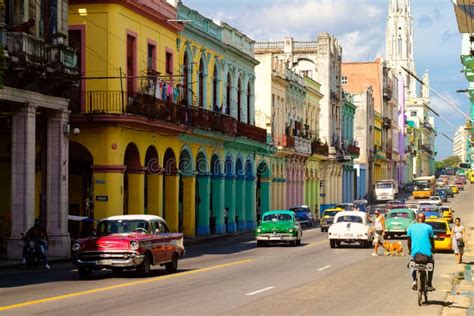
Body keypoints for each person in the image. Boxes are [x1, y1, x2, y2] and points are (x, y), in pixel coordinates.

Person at [407, 213, 435, 291]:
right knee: (431, 263)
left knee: (412, 263)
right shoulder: (429, 227)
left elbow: (408, 242)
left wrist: (410, 251)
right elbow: (432, 241)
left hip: (415, 254)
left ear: (416, 218)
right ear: (424, 219)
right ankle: (429, 283)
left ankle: (414, 281)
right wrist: (433, 250)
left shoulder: (411, 227)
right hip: (427, 255)